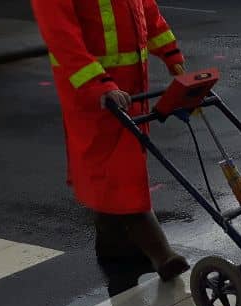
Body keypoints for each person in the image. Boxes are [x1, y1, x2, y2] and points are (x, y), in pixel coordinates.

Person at [31, 0, 189, 281]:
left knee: (113, 173)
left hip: (128, 90)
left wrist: (171, 53)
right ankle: (161, 254)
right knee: (121, 173)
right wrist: (98, 85)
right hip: (94, 96)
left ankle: (113, 245)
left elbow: (147, 12)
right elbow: (62, 37)